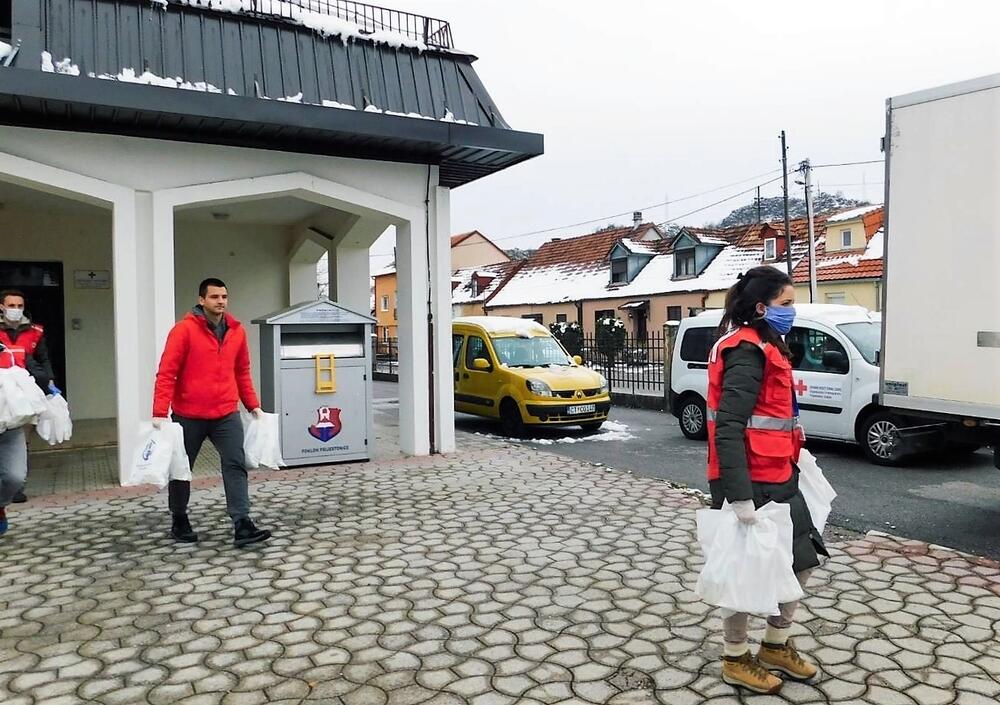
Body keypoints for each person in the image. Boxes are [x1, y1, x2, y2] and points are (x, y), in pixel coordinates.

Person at [706, 266, 827, 694]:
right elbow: (728, 427)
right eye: (786, 303)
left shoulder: (768, 343)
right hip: (751, 481)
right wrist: (739, 497)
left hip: (780, 473)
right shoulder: (746, 351)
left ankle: (775, 645)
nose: (793, 311)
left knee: (802, 560)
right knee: (744, 572)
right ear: (761, 307)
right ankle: (735, 657)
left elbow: (771, 415)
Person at [153, 278, 271, 547]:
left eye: (224, 297)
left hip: (226, 414)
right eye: (215, 297)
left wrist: (252, 405)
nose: (220, 301)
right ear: (201, 300)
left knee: (235, 463)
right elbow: (167, 373)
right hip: (188, 415)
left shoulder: (237, 331)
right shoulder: (183, 331)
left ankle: (242, 523)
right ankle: (179, 518)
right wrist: (160, 411)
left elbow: (242, 371)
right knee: (181, 469)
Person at [0, 290, 58, 504]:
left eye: (19, 306)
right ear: (2, 307)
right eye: (11, 305)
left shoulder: (35, 331)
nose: (15, 310)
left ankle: (16, 487)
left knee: (21, 440)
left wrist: (49, 382)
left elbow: (43, 359)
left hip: (24, 394)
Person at [0, 341, 29, 535]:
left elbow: (34, 366)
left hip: (10, 425)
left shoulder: (6, 351)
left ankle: (0, 504)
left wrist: (47, 382)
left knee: (15, 477)